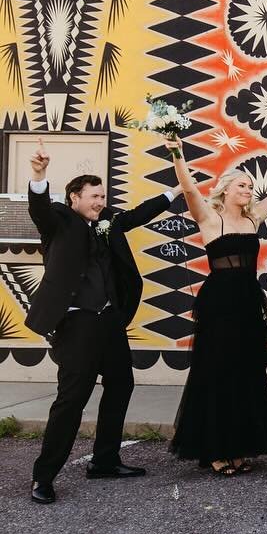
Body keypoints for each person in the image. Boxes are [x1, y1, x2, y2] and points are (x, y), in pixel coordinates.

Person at [26, 139, 179, 505]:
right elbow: (39, 209)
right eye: (94, 196)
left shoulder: (107, 222)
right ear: (74, 198)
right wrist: (38, 174)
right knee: (72, 399)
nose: (100, 201)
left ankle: (105, 460)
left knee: (121, 384)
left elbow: (138, 214)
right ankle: (43, 476)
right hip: (77, 324)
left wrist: (177, 189)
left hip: (109, 321)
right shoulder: (60, 221)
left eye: (102, 196)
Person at [168, 137, 267, 475]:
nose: (248, 189)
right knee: (217, 372)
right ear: (225, 190)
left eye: (250, 185)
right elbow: (189, 188)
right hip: (219, 303)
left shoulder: (252, 219)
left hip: (249, 301)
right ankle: (215, 450)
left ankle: (238, 447)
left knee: (245, 372)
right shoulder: (209, 217)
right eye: (242, 185)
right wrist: (176, 152)